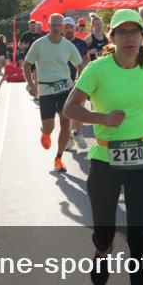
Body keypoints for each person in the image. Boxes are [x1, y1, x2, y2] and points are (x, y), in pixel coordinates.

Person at [62, 8, 143, 285]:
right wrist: (102, 119)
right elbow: (70, 107)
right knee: (105, 232)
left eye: (135, 31)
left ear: (142, 36)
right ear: (113, 37)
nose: (130, 38)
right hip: (105, 159)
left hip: (139, 158)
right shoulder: (97, 69)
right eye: (122, 32)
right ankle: (102, 251)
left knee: (139, 238)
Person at [24, 13, 87, 172]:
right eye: (53, 25)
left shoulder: (68, 46)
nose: (56, 28)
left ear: (63, 27)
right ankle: (45, 133)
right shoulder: (39, 44)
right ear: (49, 26)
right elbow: (26, 65)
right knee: (49, 127)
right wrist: (31, 85)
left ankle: (58, 158)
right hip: (45, 90)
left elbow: (80, 65)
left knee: (65, 123)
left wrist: (78, 82)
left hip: (65, 88)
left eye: (59, 25)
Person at [62, 17, 90, 150]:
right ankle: (68, 137)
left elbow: (87, 59)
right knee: (65, 111)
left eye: (70, 27)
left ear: (75, 28)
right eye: (66, 27)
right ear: (62, 29)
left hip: (79, 80)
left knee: (80, 109)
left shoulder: (82, 43)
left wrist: (86, 74)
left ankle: (77, 133)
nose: (68, 30)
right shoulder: (58, 43)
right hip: (62, 81)